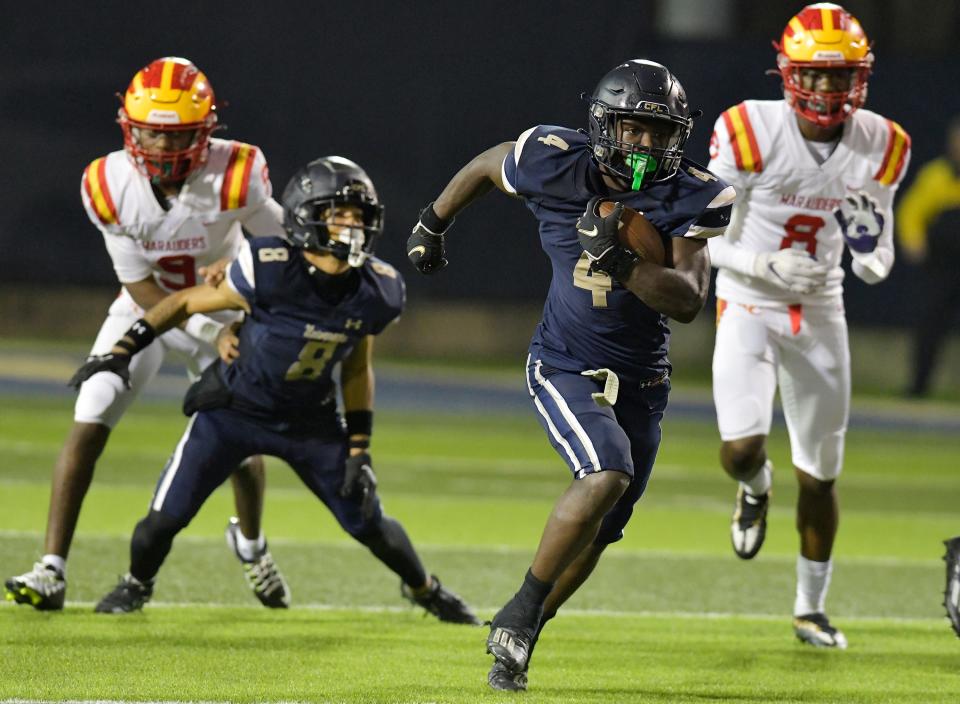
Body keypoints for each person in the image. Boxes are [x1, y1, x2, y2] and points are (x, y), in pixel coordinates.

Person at [407, 59, 734, 690]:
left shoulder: (694, 192)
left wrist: (624, 266)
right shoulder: (553, 158)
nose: (644, 144)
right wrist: (433, 221)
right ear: (604, 125)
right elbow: (486, 162)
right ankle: (521, 610)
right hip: (564, 362)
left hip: (644, 378)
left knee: (606, 526)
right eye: (633, 129)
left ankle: (523, 632)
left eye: (658, 132)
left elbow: (689, 300)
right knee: (606, 472)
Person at [67, 156, 481, 625]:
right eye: (338, 213)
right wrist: (123, 348)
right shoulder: (266, 267)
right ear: (307, 215)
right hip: (234, 411)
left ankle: (425, 589)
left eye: (359, 215)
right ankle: (136, 583)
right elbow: (184, 301)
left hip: (311, 421)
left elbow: (356, 368)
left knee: (369, 523)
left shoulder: (377, 289)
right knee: (161, 522)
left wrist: (359, 447)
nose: (351, 225)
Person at [4, 57, 290, 611]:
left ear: (204, 132)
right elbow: (138, 286)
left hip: (221, 314)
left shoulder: (238, 173)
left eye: (174, 134)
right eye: (150, 133)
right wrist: (207, 326)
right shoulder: (107, 184)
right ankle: (52, 569)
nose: (160, 147)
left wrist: (237, 282)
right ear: (129, 129)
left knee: (238, 443)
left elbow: (280, 254)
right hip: (150, 312)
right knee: (90, 413)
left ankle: (251, 546)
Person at [706, 3, 910, 648]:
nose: (827, 89)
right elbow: (698, 237)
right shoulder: (747, 128)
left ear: (862, 75)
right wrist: (761, 260)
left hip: (821, 310)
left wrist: (865, 245)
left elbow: (877, 261)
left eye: (840, 75)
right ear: (787, 73)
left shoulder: (885, 142)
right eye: (814, 76)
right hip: (747, 299)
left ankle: (810, 607)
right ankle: (755, 488)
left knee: (821, 472)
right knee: (741, 450)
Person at [896, 116, 960, 398]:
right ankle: (919, 386)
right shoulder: (936, 174)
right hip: (942, 265)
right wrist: (913, 242)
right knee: (930, 324)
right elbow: (911, 211)